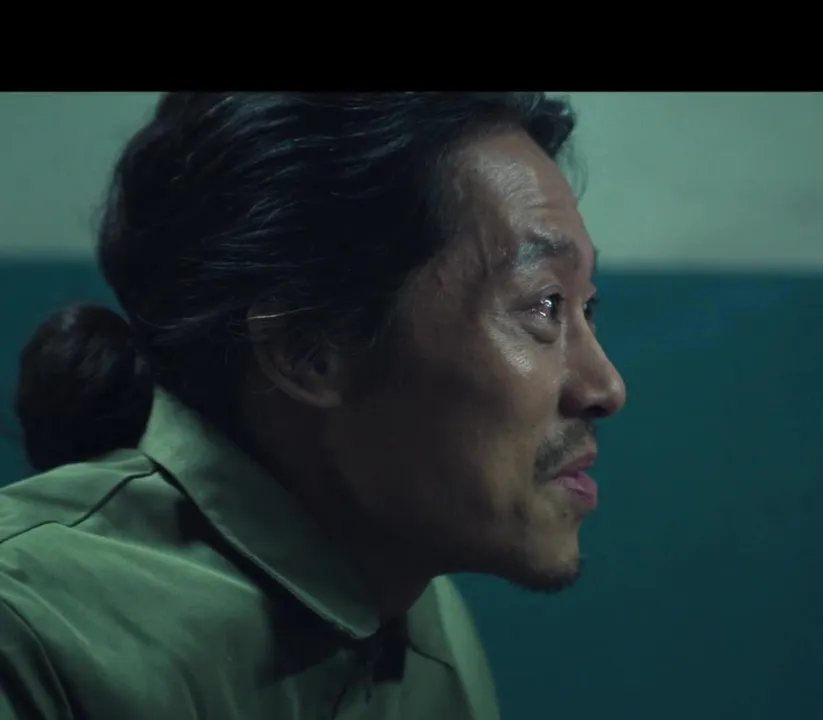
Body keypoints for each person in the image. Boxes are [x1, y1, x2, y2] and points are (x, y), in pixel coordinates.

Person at [0, 92, 626, 719]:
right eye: (544, 304)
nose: (606, 388)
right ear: (309, 351)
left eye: (587, 306)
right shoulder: (29, 633)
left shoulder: (420, 607)